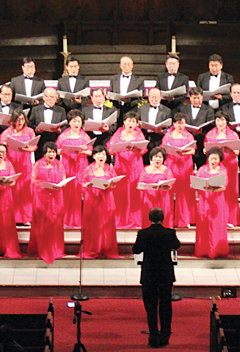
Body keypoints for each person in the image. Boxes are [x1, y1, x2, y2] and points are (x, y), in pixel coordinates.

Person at [132, 206, 181, 348]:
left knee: (151, 306)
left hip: (149, 273)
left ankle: (153, 336)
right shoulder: (169, 233)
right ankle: (165, 336)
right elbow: (176, 245)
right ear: (162, 218)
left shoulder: (143, 233)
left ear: (149, 219)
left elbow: (136, 249)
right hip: (165, 273)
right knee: (166, 305)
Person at [106, 110, 147, 228]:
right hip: (121, 165)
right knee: (121, 192)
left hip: (135, 165)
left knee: (135, 192)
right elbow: (110, 149)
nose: (131, 124)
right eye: (129, 121)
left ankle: (135, 218)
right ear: (124, 122)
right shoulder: (118, 133)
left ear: (136, 124)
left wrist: (135, 149)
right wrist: (121, 148)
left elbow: (143, 149)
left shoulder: (139, 134)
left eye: (133, 121)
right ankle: (121, 218)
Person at [28, 142, 67, 264]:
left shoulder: (59, 165)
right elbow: (33, 180)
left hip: (56, 196)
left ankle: (56, 249)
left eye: (53, 152)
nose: (51, 154)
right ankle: (43, 249)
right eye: (49, 152)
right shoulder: (38, 164)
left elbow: (64, 178)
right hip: (42, 197)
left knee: (56, 223)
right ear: (44, 153)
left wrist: (61, 184)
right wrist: (43, 186)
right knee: (44, 224)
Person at [79, 146, 120, 258]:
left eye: (103, 154)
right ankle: (92, 248)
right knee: (93, 224)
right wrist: (87, 185)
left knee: (106, 224)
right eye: (99, 154)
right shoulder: (88, 169)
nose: (101, 156)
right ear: (94, 156)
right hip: (92, 199)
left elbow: (114, 183)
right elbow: (82, 182)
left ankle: (107, 247)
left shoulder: (109, 169)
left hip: (106, 199)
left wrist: (110, 184)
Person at [56, 109, 93, 228]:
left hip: (81, 165)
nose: (77, 124)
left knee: (81, 191)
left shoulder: (84, 135)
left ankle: (80, 220)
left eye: (79, 121)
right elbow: (57, 150)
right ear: (69, 122)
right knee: (68, 192)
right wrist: (63, 151)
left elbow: (90, 152)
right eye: (74, 121)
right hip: (68, 165)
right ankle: (67, 219)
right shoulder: (63, 135)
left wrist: (83, 151)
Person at [0, 109, 36, 225]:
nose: (20, 122)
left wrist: (29, 149)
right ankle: (12, 216)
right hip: (12, 162)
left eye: (22, 119)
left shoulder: (29, 131)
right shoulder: (7, 132)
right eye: (18, 119)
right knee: (12, 189)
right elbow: (1, 146)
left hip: (25, 163)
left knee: (25, 189)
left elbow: (34, 146)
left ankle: (26, 217)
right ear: (13, 120)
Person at [204, 111, 240, 226]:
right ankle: (215, 218)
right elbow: (205, 151)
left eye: (223, 120)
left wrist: (228, 149)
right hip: (215, 166)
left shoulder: (233, 135)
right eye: (218, 120)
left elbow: (237, 152)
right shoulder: (210, 134)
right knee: (215, 191)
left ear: (227, 121)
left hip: (230, 165)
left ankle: (229, 219)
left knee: (229, 192)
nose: (220, 123)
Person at [161, 112, 196, 227]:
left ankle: (183, 220)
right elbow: (164, 149)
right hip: (171, 163)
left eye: (183, 124)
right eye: (179, 124)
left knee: (184, 192)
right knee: (169, 191)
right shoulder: (168, 135)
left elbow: (193, 150)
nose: (181, 126)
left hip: (185, 165)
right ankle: (168, 220)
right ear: (174, 124)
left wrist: (184, 152)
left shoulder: (188, 135)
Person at [194, 147, 229, 258]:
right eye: (211, 158)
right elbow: (195, 183)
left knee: (216, 225)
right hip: (204, 200)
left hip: (217, 201)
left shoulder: (223, 171)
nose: (213, 161)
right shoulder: (202, 169)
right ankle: (204, 250)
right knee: (204, 224)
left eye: (216, 159)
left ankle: (217, 250)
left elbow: (223, 187)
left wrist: (213, 189)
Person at [178, 87, 215, 169]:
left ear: (202, 97)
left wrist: (202, 131)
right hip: (186, 143)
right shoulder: (183, 109)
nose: (196, 100)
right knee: (186, 168)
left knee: (201, 167)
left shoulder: (209, 110)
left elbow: (211, 126)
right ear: (190, 97)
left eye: (198, 98)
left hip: (201, 142)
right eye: (194, 98)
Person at [138, 147, 175, 228]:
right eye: (156, 156)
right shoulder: (146, 169)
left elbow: (170, 185)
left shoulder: (167, 170)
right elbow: (140, 184)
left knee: (164, 218)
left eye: (160, 157)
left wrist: (164, 187)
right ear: (152, 158)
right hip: (149, 199)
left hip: (163, 198)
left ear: (163, 159)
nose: (157, 159)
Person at [28, 87, 67, 161]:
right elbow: (30, 124)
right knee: (39, 161)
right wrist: (37, 129)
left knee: (55, 163)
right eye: (49, 97)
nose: (51, 99)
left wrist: (60, 130)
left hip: (55, 140)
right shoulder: (36, 109)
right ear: (43, 97)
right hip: (40, 140)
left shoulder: (61, 110)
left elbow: (65, 125)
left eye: (53, 97)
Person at [139, 87, 172, 165]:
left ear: (160, 98)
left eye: (156, 97)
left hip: (159, 139)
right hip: (145, 138)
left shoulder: (167, 110)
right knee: (145, 163)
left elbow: (169, 128)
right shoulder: (142, 109)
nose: (154, 99)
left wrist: (161, 131)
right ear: (148, 97)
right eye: (152, 97)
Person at [109, 55, 144, 121]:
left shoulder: (139, 80)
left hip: (132, 110)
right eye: (124, 64)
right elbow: (111, 93)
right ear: (120, 66)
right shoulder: (113, 79)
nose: (126, 66)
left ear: (132, 65)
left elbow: (140, 97)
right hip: (117, 110)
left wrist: (129, 101)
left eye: (129, 64)